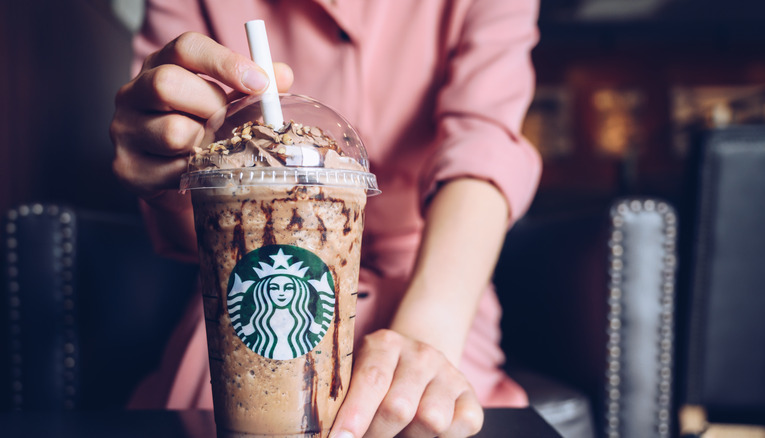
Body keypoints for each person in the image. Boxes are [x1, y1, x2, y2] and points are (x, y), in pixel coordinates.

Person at [110, 0, 542, 437]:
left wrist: (428, 332)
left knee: (431, 410)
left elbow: (483, 142)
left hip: (436, 272)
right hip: (247, 272)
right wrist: (167, 159)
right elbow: (202, 224)